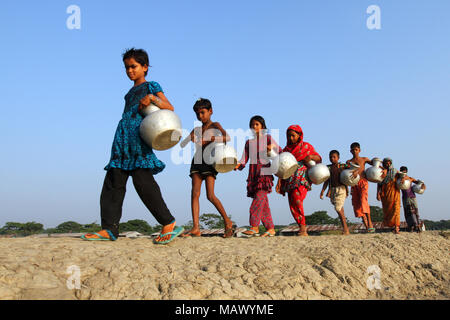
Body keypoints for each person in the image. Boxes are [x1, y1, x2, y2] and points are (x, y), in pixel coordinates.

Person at [82, 48, 183, 244]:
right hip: (122, 139)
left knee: (142, 181)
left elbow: (169, 107)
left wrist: (152, 98)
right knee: (113, 181)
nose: (130, 71)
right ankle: (109, 229)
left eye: (134, 66)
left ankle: (169, 223)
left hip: (139, 137)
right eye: (127, 67)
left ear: (145, 67)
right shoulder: (128, 93)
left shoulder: (151, 86)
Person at [182, 98, 234, 238]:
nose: (200, 116)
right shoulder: (197, 128)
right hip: (197, 161)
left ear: (210, 111)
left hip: (210, 161)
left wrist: (209, 139)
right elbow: (184, 142)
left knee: (210, 195)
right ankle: (196, 227)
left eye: (203, 112)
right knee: (195, 194)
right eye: (197, 114)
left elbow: (226, 137)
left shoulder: (215, 125)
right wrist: (190, 137)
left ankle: (228, 222)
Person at [234, 115, 282, 237]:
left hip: (264, 174)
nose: (254, 127)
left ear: (262, 126)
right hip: (253, 175)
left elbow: (280, 152)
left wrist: (273, 147)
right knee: (263, 204)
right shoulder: (248, 143)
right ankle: (270, 228)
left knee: (257, 201)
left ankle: (254, 226)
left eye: (257, 124)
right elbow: (243, 159)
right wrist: (236, 165)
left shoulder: (268, 138)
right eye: (252, 125)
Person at [276, 125, 322, 236]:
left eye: (293, 135)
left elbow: (319, 158)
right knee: (292, 203)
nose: (291, 138)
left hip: (302, 176)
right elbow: (281, 166)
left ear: (299, 135)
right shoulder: (286, 150)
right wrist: (279, 182)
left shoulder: (306, 146)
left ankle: (302, 227)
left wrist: (310, 157)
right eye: (288, 136)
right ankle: (301, 226)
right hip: (289, 178)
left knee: (297, 198)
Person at [346, 142, 375, 233]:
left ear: (359, 150)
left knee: (363, 200)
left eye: (356, 150)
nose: (355, 151)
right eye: (353, 150)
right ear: (350, 151)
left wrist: (384, 169)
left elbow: (375, 165)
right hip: (354, 184)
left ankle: (370, 222)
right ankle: (367, 226)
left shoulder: (364, 159)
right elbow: (346, 173)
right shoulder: (349, 162)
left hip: (363, 182)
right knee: (357, 204)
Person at [320, 150, 350, 235]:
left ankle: (346, 229)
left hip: (341, 189)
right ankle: (345, 228)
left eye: (334, 157)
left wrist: (354, 170)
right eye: (330, 157)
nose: (332, 158)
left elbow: (354, 167)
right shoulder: (328, 168)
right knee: (339, 208)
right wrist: (322, 191)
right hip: (333, 190)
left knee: (338, 208)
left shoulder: (342, 166)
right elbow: (326, 181)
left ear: (338, 158)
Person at [377, 157, 405, 234]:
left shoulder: (395, 171)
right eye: (386, 163)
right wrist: (378, 193)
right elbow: (379, 183)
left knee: (396, 209)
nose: (388, 164)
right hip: (385, 194)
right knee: (388, 211)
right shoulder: (381, 172)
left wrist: (403, 178)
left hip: (395, 193)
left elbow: (402, 176)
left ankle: (396, 227)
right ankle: (391, 226)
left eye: (389, 162)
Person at [399, 166, 426, 232]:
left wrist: (423, 186)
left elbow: (418, 183)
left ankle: (417, 226)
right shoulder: (399, 179)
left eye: (405, 172)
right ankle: (411, 226)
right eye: (402, 172)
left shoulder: (410, 178)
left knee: (415, 211)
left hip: (412, 196)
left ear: (406, 172)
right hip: (405, 197)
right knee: (408, 212)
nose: (404, 173)